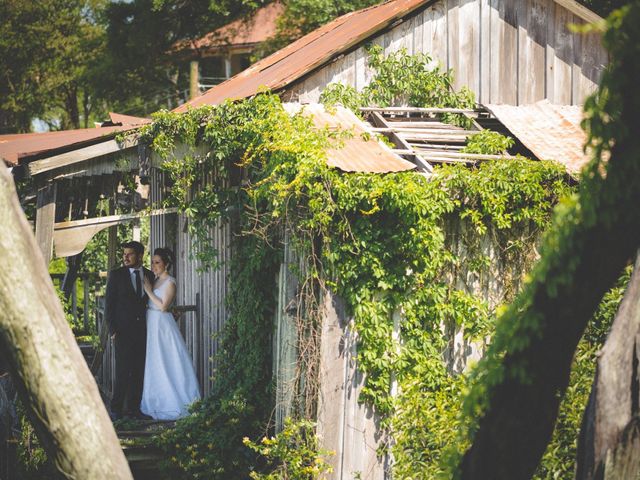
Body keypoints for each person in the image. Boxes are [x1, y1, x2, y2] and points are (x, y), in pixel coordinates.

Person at [140, 248, 201, 420]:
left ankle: (176, 401)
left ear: (166, 264)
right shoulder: (155, 279)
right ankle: (156, 399)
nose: (154, 265)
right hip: (152, 321)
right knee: (155, 361)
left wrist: (149, 291)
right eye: (152, 262)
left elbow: (164, 306)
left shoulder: (170, 282)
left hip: (162, 324)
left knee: (167, 360)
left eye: (157, 262)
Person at [105, 241, 154, 420]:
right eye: (124, 254)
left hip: (143, 331)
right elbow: (109, 304)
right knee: (122, 371)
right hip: (122, 332)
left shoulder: (149, 275)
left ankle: (134, 409)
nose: (125, 257)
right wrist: (113, 330)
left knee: (139, 370)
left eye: (130, 254)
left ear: (140, 256)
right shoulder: (117, 275)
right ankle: (116, 409)